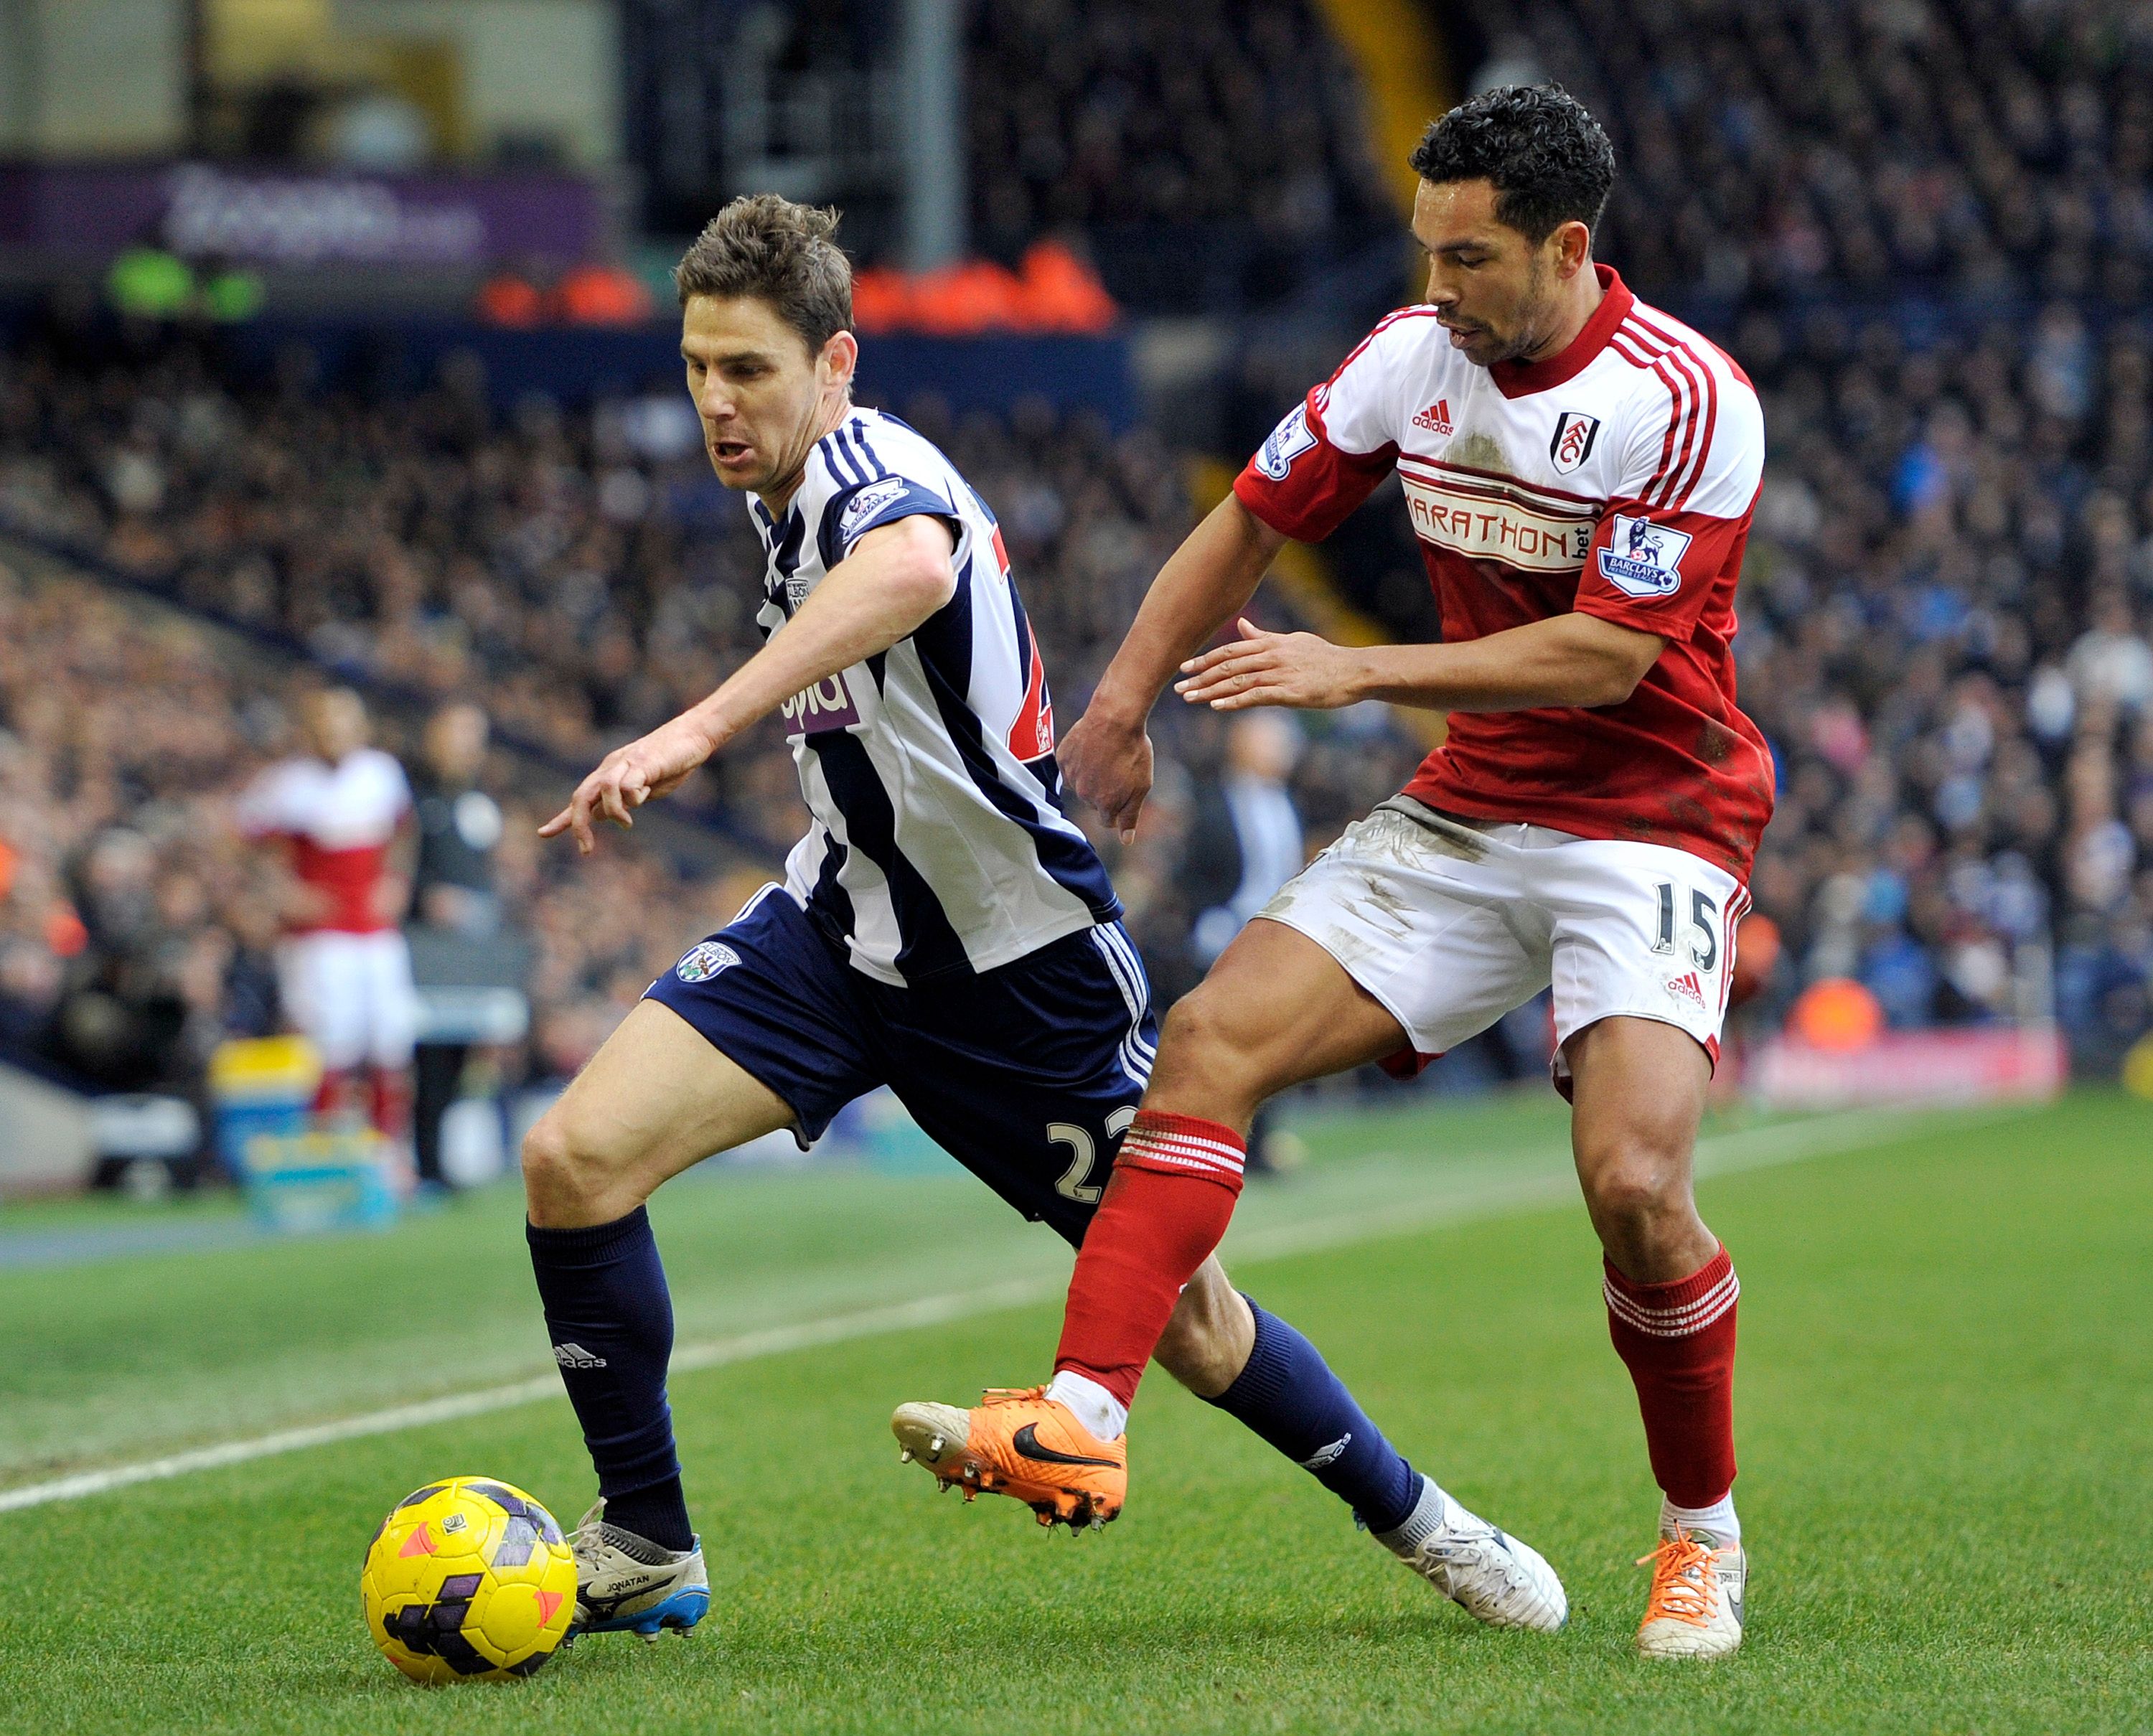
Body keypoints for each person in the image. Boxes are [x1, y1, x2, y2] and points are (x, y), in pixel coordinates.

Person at [521, 193, 1565, 1643]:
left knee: (1194, 1322)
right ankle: (645, 1537)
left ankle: (1429, 1523)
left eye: (748, 367)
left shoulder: (876, 476)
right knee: (572, 1158)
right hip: (838, 934)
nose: (715, 398)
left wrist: (694, 730)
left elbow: (913, 569)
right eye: (698, 367)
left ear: (836, 367)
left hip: (1020, 975)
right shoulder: (781, 518)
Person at [901, 85, 1772, 1661]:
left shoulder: (1687, 399)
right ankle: (1083, 1413)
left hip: (1652, 821)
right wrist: (1116, 705)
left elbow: (1603, 661)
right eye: (1424, 250)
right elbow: (1243, 519)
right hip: (1468, 814)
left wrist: (1354, 673)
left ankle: (1700, 1541)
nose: (1438, 289)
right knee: (1209, 1047)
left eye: (1473, 258)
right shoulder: (1404, 359)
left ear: (1568, 249)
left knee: (1636, 1188)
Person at [236, 687, 420, 1146]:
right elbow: (243, 843)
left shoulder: (381, 774)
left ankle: (385, 1151)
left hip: (376, 929)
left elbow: (406, 834)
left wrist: (396, 881)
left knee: (389, 1040)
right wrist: (282, 892)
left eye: (343, 722)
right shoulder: (287, 784)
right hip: (320, 935)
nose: (334, 733)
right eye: (325, 723)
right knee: (328, 1044)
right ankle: (320, 1148)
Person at [407, 702, 504, 1186]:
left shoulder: (477, 800)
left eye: (475, 735)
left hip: (470, 948)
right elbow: (399, 866)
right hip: (422, 948)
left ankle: (439, 1161)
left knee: (463, 1053)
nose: (468, 745)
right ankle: (423, 1162)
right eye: (458, 733)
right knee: (428, 1057)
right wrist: (425, 895)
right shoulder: (414, 797)